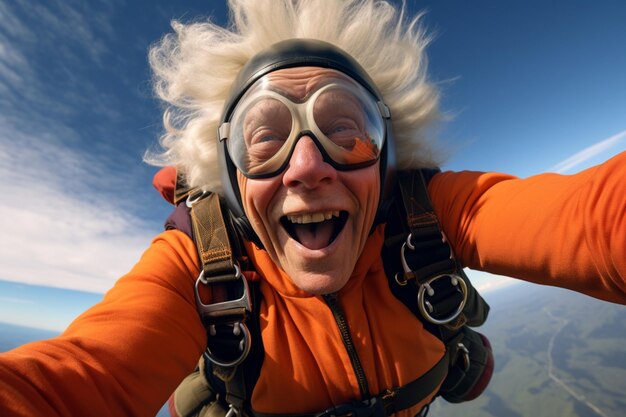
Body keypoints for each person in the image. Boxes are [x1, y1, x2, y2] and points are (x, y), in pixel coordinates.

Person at [1, 1, 624, 416]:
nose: (307, 165)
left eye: (343, 128)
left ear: (384, 156)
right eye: (265, 138)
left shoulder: (426, 215)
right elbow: (80, 379)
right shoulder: (200, 266)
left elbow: (595, 223)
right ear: (233, 177)